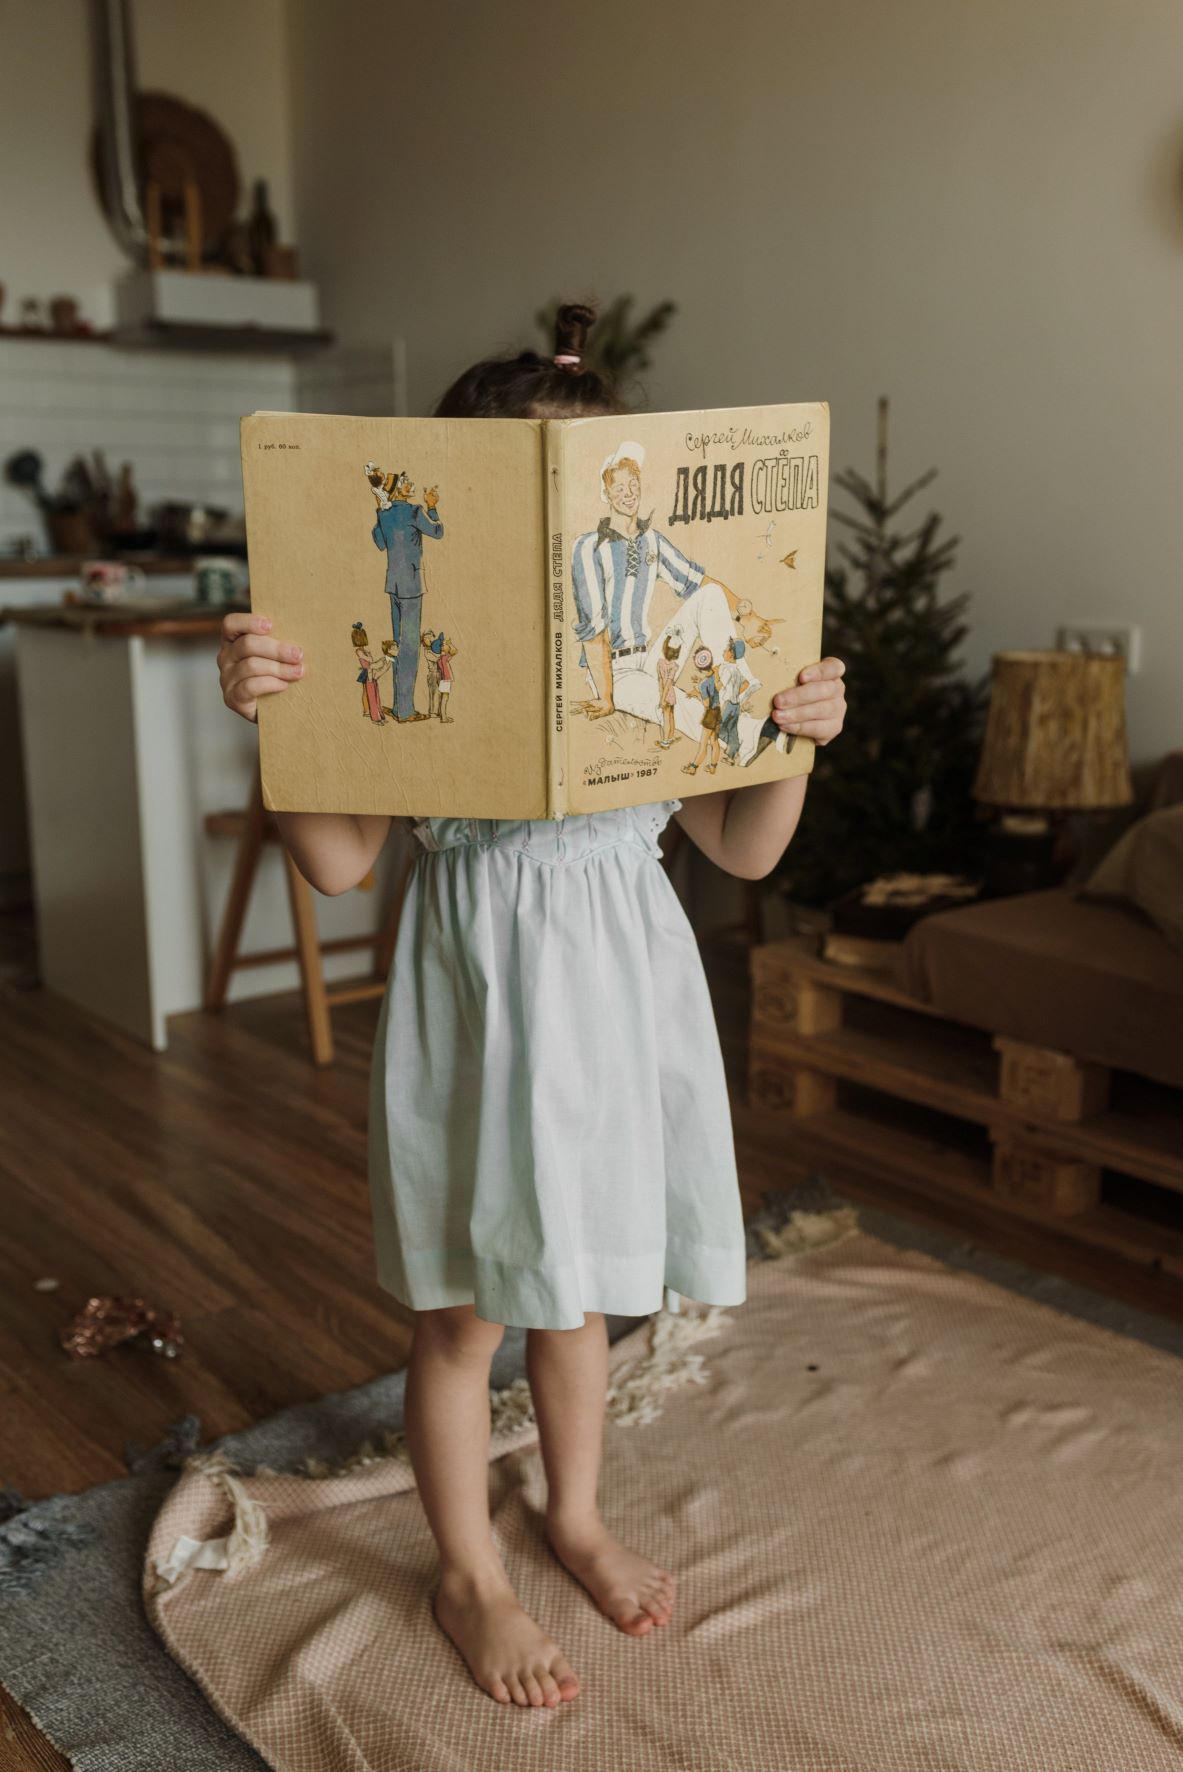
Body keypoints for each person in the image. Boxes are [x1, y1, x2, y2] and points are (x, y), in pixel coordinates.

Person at [216, 302, 848, 1713]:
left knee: (580, 1303)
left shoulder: (648, 652)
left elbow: (742, 851)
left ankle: (570, 1515)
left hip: (620, 1006)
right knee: (461, 1318)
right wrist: (274, 715)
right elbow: (333, 866)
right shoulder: (415, 668)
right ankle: (468, 1574)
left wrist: (792, 743)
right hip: (477, 1016)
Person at [371, 471, 443, 721]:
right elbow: (437, 531)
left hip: (393, 585)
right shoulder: (414, 511)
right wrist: (432, 508)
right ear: (397, 490)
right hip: (411, 587)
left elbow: (379, 542)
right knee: (410, 649)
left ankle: (399, 706)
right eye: (407, 482)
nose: (412, 484)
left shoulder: (384, 514)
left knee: (397, 646)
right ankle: (405, 711)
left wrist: (380, 511)